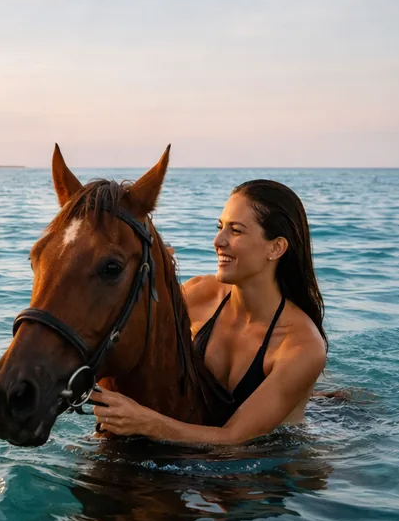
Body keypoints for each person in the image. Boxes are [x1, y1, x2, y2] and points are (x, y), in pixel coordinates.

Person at [92, 180, 328, 444]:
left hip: (267, 458)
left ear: (276, 248)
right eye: (220, 227)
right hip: (195, 437)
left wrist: (144, 421)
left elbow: (234, 439)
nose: (218, 241)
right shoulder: (198, 295)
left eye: (236, 231)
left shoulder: (301, 347)